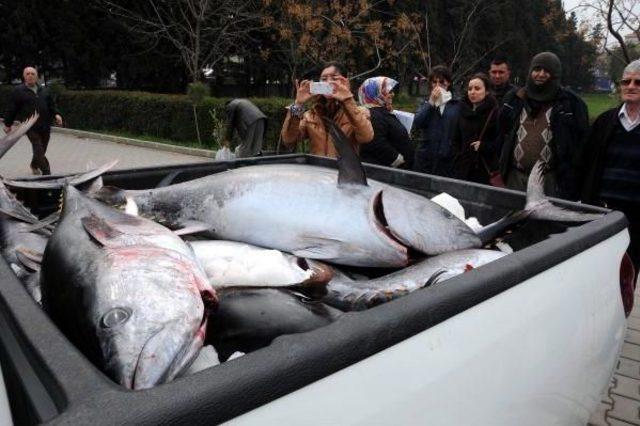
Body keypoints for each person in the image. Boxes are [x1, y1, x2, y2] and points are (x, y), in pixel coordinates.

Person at [499, 52, 588, 200]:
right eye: (537, 69)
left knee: (544, 222)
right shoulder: (514, 98)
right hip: (515, 177)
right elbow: (501, 132)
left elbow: (581, 145)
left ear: (555, 74)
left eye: (547, 71)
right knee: (512, 219)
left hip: (550, 180)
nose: (540, 74)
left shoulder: (571, 104)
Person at [582, 59, 640, 271]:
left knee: (627, 273)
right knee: (596, 270)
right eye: (626, 82)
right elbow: (587, 164)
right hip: (602, 212)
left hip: (636, 218)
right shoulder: (605, 122)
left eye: (637, 82)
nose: (630, 86)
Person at [280, 62, 373, 157]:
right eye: (324, 79)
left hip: (345, 171)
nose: (328, 82)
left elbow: (366, 137)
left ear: (346, 82)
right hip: (318, 170)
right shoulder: (311, 115)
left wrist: (347, 100)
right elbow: (289, 139)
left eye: (334, 78)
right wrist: (298, 105)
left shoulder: (359, 112)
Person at [3, 66, 63, 175]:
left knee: (43, 148)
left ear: (36, 76)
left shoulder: (44, 90)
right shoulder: (18, 91)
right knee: (38, 147)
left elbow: (51, 105)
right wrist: (8, 124)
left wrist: (57, 114)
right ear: (24, 76)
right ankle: (46, 172)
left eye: (32, 74)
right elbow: (12, 108)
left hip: (45, 125)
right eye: (27, 74)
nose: (30, 76)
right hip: (30, 126)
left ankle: (34, 165)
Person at [413, 65, 461, 177]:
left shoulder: (456, 105)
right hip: (425, 158)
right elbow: (418, 122)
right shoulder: (425, 102)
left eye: (442, 82)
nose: (438, 86)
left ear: (448, 83)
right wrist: (431, 103)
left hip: (446, 159)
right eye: (435, 82)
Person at [452, 73, 500, 184]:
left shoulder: (494, 113)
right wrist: (457, 158)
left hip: (483, 169)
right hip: (462, 169)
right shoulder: (462, 110)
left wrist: (483, 146)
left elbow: (500, 142)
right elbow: (455, 138)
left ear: (486, 91)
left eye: (477, 89)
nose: (472, 92)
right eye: (470, 89)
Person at [357, 76, 414, 169]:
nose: (393, 94)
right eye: (389, 91)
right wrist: (398, 160)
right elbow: (376, 143)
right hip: (384, 172)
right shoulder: (371, 114)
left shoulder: (381, 111)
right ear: (376, 92)